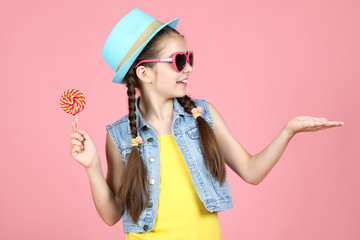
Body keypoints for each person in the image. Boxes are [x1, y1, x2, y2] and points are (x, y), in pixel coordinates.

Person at [69, 8, 344, 240]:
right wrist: (92, 166)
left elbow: (251, 171)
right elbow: (111, 215)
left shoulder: (204, 115)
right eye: (178, 61)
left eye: (189, 58)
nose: (188, 68)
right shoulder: (120, 134)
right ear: (145, 73)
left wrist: (289, 130)